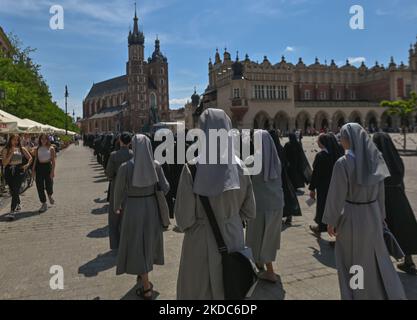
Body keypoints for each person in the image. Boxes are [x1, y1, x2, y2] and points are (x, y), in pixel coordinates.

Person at [174, 108, 256, 300]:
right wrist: (230, 218)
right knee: (232, 292)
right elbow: (250, 211)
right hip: (233, 239)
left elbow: (184, 219)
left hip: (200, 244)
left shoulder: (192, 168)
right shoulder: (241, 167)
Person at [323, 123, 406, 300]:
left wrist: (331, 220)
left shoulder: (343, 163)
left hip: (352, 216)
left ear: (349, 139)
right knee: (374, 259)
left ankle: (358, 294)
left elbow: (336, 196)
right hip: (373, 215)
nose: (340, 140)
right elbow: (381, 195)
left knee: (354, 261)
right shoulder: (376, 159)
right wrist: (381, 217)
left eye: (342, 136)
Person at [113, 134, 169, 300]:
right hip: (151, 207)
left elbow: (118, 191)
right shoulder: (156, 165)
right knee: (148, 242)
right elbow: (165, 188)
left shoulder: (125, 167)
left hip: (132, 208)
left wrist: (117, 206)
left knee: (137, 244)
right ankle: (142, 275)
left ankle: (146, 288)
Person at [373, 132, 417, 275]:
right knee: (403, 229)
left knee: (382, 231)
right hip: (400, 198)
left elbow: (375, 182)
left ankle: (381, 263)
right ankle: (408, 261)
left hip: (384, 200)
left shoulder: (378, 159)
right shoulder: (396, 158)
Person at [246, 130, 284, 283]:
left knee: (258, 236)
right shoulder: (276, 160)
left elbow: (244, 183)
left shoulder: (252, 160)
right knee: (269, 237)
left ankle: (270, 272)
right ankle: (260, 263)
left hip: (260, 205)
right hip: (276, 204)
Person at [309, 133, 344, 236]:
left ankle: (320, 227)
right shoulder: (338, 153)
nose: (317, 142)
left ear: (323, 142)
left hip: (323, 187)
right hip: (337, 186)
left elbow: (316, 174)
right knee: (336, 207)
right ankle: (337, 230)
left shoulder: (321, 156)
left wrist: (312, 189)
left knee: (322, 207)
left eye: (318, 140)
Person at [105, 132, 133, 251]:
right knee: (129, 216)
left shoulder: (114, 155)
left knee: (114, 217)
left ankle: (116, 244)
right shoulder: (134, 154)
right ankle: (129, 242)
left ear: (120, 141)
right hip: (131, 187)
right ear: (130, 142)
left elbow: (109, 173)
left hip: (116, 185)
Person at [269, 130, 302, 225]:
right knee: (287, 196)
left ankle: (280, 216)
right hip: (284, 176)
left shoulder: (271, 150)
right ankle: (288, 216)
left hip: (276, 177)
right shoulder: (281, 148)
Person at [1, 134, 32, 220]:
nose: (16, 142)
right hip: (9, 171)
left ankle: (12, 211)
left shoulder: (22, 149)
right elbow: (4, 163)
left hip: (19, 171)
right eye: (14, 140)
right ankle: (18, 202)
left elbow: (30, 158)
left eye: (17, 140)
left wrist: (27, 165)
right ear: (10, 140)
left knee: (15, 189)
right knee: (13, 190)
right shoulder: (5, 150)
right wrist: (10, 153)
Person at [283, 133, 311, 225]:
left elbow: (284, 154)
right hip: (296, 165)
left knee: (291, 177)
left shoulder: (287, 145)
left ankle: (293, 186)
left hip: (290, 166)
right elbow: (301, 155)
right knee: (296, 177)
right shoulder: (297, 144)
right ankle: (296, 186)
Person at [32, 134, 56, 213]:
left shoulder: (51, 148)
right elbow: (35, 159)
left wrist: (52, 171)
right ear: (40, 139)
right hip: (39, 167)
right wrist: (33, 169)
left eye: (45, 139)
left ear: (47, 140)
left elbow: (53, 161)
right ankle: (43, 203)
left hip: (48, 167)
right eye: (42, 139)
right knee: (39, 185)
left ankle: (49, 195)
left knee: (49, 184)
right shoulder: (37, 148)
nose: (43, 140)